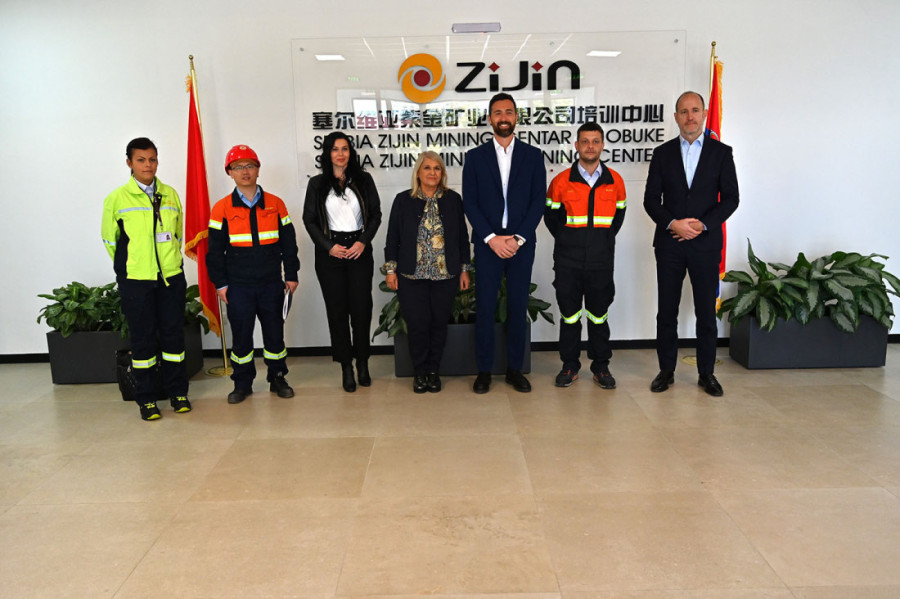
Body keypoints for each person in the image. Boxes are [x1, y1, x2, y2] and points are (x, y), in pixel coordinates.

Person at [643, 91, 740, 396]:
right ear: (676, 117)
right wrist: (673, 223)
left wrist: (701, 224)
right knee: (666, 311)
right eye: (683, 112)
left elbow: (731, 199)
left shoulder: (721, 153)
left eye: (695, 110)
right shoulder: (662, 153)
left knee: (705, 313)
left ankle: (706, 373)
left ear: (704, 113)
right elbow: (650, 200)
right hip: (670, 243)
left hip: (705, 244)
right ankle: (666, 370)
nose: (690, 117)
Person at [462, 93, 547, 394]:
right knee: (485, 307)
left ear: (516, 117)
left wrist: (518, 237)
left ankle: (514, 369)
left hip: (521, 244)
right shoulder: (475, 157)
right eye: (497, 113)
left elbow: (538, 201)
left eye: (508, 112)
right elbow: (470, 203)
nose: (503, 117)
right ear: (489, 119)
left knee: (517, 305)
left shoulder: (533, 156)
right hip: (488, 245)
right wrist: (491, 238)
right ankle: (484, 370)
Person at [101, 137, 191, 421]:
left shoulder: (170, 194)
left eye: (152, 159)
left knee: (174, 338)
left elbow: (177, 234)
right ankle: (147, 399)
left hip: (170, 279)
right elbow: (111, 241)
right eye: (141, 160)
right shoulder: (117, 199)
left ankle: (178, 393)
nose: (147, 165)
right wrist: (131, 268)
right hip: (136, 281)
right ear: (129, 163)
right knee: (143, 342)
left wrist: (170, 263)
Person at [206, 145, 300, 404]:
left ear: (258, 169)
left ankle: (277, 378)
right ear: (229, 172)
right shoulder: (221, 208)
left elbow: (289, 243)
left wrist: (291, 275)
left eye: (250, 165)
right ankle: (242, 383)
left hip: (271, 284)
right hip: (238, 286)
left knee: (275, 335)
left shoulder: (276, 204)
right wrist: (221, 284)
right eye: (238, 167)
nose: (244, 171)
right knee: (241, 337)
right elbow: (215, 251)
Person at [544, 122, 626, 389]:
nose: (590, 146)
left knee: (599, 316)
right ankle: (569, 366)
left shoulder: (615, 181)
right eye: (585, 141)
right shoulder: (560, 181)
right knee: (569, 316)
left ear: (602, 145)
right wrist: (568, 241)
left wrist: (602, 242)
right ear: (576, 145)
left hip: (601, 262)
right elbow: (551, 218)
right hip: (567, 262)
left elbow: (618, 217)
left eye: (595, 141)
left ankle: (601, 367)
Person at [383, 151, 472, 393]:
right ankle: (420, 372)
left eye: (437, 168)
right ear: (418, 173)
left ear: (442, 173)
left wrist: (465, 270)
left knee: (438, 324)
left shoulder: (453, 200)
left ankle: (433, 372)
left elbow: (462, 238)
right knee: (418, 325)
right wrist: (391, 271)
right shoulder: (403, 200)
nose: (432, 172)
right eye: (427, 168)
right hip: (412, 276)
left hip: (445, 275)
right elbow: (392, 238)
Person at [303, 132, 382, 392]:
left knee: (361, 309)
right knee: (337, 311)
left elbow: (376, 215)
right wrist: (329, 247)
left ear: (351, 152)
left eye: (345, 149)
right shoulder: (317, 184)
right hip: (331, 254)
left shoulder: (364, 180)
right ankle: (346, 366)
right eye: (335, 149)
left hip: (359, 250)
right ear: (328, 153)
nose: (340, 154)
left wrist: (363, 242)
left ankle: (363, 362)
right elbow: (309, 219)